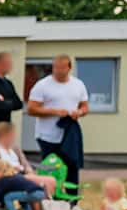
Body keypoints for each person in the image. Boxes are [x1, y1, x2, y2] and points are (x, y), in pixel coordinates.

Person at [27, 54, 89, 196]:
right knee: (49, 167)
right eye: (56, 68)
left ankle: (72, 199)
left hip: (69, 134)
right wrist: (54, 112)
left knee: (72, 166)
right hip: (47, 135)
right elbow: (31, 109)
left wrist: (79, 112)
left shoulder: (78, 84)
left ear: (69, 68)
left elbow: (85, 107)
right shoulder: (42, 85)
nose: (59, 71)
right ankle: (49, 196)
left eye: (62, 68)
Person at [0, 121, 50, 210]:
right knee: (43, 182)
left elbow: (25, 162)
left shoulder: (14, 146)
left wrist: (29, 171)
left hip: (20, 175)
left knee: (46, 180)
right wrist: (8, 168)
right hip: (6, 176)